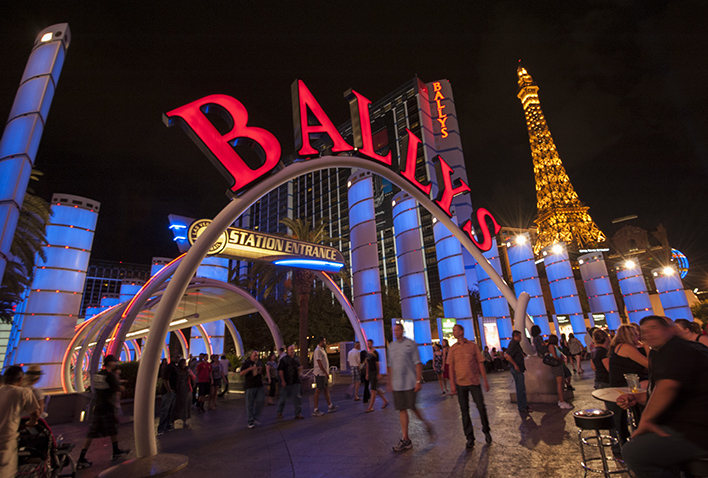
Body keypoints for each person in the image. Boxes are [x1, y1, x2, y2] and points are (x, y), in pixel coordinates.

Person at [618, 315, 708, 477]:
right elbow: (664, 389)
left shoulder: (677, 349)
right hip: (682, 424)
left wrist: (645, 421)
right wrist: (639, 398)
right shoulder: (658, 353)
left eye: (654, 328)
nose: (648, 334)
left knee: (634, 452)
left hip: (696, 428)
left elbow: (668, 387)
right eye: (644, 331)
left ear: (670, 330)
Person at [388, 322, 435, 452]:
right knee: (402, 409)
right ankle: (406, 439)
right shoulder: (391, 346)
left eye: (398, 330)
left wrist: (418, 380)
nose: (395, 332)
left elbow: (418, 363)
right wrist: (389, 382)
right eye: (394, 330)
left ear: (402, 331)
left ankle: (427, 425)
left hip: (409, 382)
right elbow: (390, 365)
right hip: (397, 384)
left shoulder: (410, 344)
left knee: (412, 407)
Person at [76, 355, 129, 469]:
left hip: (98, 405)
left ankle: (83, 456)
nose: (116, 364)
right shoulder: (110, 376)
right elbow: (117, 388)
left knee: (96, 432)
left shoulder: (98, 375)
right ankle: (115, 452)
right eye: (115, 362)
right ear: (110, 363)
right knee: (111, 429)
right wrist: (122, 386)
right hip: (107, 406)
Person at [447, 324, 492, 448]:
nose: (453, 332)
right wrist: (452, 383)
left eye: (455, 330)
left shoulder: (472, 346)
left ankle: (486, 430)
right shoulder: (453, 349)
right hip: (461, 384)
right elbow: (450, 366)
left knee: (481, 407)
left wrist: (485, 381)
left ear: (461, 331)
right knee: (464, 411)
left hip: (474, 382)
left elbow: (480, 363)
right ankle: (470, 437)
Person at [608, 324, 649, 445]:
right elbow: (649, 364)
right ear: (630, 335)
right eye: (636, 334)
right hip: (625, 387)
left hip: (625, 385)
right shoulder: (626, 347)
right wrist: (647, 346)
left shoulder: (620, 347)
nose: (639, 336)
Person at [0, 365, 40, 478]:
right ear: (21, 379)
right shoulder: (23, 392)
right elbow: (36, 413)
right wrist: (31, 423)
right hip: (6, 440)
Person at [505, 330, 531, 413]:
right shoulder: (513, 344)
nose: (520, 338)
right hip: (517, 369)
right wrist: (515, 365)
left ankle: (523, 405)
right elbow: (508, 355)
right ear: (515, 336)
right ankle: (522, 406)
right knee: (520, 388)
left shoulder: (516, 344)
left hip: (519, 368)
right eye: (519, 336)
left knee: (521, 387)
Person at [312, 337, 339, 416]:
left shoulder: (321, 350)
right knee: (318, 389)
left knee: (326, 389)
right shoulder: (317, 351)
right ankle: (315, 409)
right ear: (321, 342)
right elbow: (319, 362)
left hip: (323, 373)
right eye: (324, 341)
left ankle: (330, 405)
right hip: (320, 373)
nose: (325, 342)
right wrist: (325, 372)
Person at [277, 345, 303, 420]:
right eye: (291, 349)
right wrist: (283, 380)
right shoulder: (284, 360)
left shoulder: (296, 359)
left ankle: (298, 413)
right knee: (283, 397)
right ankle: (279, 412)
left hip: (296, 381)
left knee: (297, 397)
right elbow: (280, 370)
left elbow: (298, 368)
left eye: (293, 349)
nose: (292, 351)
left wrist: (300, 371)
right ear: (287, 351)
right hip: (287, 381)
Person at [240, 350, 265, 428]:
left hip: (259, 385)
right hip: (250, 386)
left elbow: (262, 372)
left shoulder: (259, 363)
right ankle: (250, 421)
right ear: (251, 356)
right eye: (254, 355)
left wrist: (260, 370)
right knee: (249, 404)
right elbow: (241, 373)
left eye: (257, 355)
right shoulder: (247, 364)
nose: (256, 357)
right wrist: (249, 369)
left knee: (261, 401)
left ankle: (255, 416)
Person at [547, 335, 573, 409]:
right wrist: (561, 360)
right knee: (559, 384)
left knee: (561, 383)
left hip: (558, 366)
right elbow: (554, 356)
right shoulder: (551, 346)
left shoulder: (553, 346)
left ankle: (561, 400)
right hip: (556, 366)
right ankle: (562, 401)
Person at [364, 339, 390, 412]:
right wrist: (367, 373)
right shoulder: (368, 353)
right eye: (367, 343)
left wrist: (379, 373)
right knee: (376, 389)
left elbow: (378, 364)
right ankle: (385, 401)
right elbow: (367, 364)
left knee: (373, 389)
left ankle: (371, 407)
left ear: (372, 344)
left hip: (375, 372)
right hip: (370, 372)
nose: (368, 345)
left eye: (369, 343)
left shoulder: (375, 353)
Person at [157, 354, 180, 435]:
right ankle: (161, 428)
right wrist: (169, 389)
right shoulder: (170, 367)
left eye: (179, 357)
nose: (178, 358)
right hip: (169, 392)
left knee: (169, 409)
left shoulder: (175, 367)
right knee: (165, 409)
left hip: (173, 391)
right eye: (177, 357)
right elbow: (165, 378)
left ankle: (166, 425)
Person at [173, 358, 195, 428]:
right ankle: (173, 419)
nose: (183, 365)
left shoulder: (188, 370)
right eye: (182, 363)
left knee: (186, 405)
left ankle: (184, 420)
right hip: (179, 389)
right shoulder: (177, 370)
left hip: (187, 389)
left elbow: (194, 377)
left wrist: (190, 374)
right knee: (178, 404)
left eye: (184, 363)